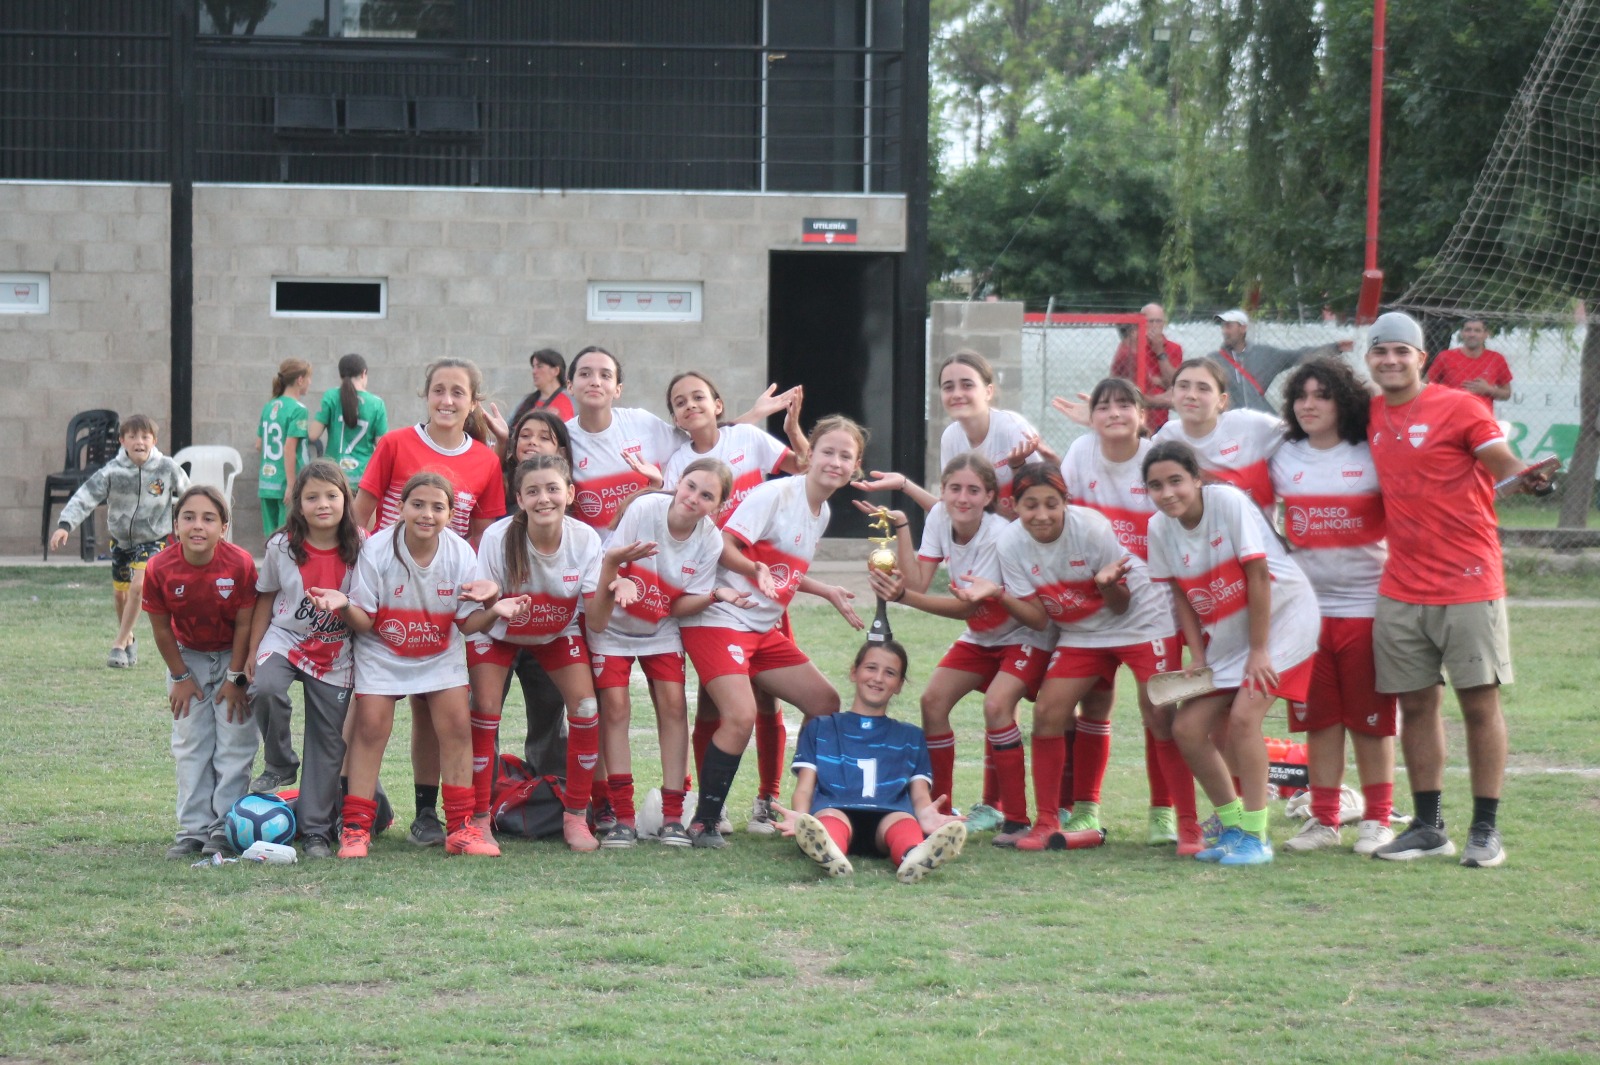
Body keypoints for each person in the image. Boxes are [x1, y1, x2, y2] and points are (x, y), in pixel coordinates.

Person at [1363, 311, 1548, 868]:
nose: (1391, 361)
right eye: (1380, 352)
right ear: (1369, 360)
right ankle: (1427, 826)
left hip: (1468, 582)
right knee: (1416, 706)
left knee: (1478, 705)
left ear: (1423, 358)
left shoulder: (1460, 405)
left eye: (1402, 351)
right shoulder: (1368, 413)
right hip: (1400, 585)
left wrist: (1524, 474)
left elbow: (1499, 459)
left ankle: (1485, 830)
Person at [960, 463, 1181, 853]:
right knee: (1048, 712)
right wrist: (997, 595)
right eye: (1030, 505)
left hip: (1142, 620)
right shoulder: (1011, 543)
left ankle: (1167, 813)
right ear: (1014, 506)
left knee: (1160, 712)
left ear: (1067, 502)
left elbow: (1119, 602)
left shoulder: (1091, 528)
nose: (1041, 514)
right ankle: (1048, 820)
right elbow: (1039, 617)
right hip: (1081, 632)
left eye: (1051, 503)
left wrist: (1104, 585)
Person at [677, 415, 869, 847]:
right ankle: (705, 819)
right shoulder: (776, 493)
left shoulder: (822, 511)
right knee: (740, 715)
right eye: (828, 451)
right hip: (720, 617)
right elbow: (724, 548)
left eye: (845, 456)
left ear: (855, 466)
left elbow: (781, 570)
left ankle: (807, 804)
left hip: (761, 629)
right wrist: (753, 570)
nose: (835, 462)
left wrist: (824, 590)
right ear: (810, 454)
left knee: (824, 701)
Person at [314, 472, 521, 859]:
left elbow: (466, 622)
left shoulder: (460, 553)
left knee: (458, 725)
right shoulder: (376, 550)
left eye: (438, 507)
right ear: (401, 508)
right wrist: (344, 606)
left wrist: (494, 611)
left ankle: (461, 828)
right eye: (418, 504)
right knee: (370, 726)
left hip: (438, 652)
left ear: (451, 514)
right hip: (383, 652)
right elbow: (367, 621)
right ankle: (356, 829)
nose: (427, 514)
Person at [1144, 442, 1321, 866]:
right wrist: (1199, 656)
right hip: (1227, 634)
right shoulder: (1158, 528)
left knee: (1244, 719)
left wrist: (1260, 651)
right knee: (1186, 727)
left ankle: (1257, 837)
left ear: (1196, 479)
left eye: (1176, 481)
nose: (1167, 493)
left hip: (1283, 619)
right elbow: (1182, 596)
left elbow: (1258, 575)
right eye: (1155, 485)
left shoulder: (1227, 501)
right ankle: (1234, 825)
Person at [354, 358, 506, 847]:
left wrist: (486, 586)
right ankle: (352, 813)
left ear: (472, 402)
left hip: (445, 595)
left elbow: (486, 531)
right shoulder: (395, 442)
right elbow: (361, 513)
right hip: (388, 589)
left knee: (438, 713)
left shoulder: (484, 459)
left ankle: (429, 815)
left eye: (457, 392)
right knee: (367, 719)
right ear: (426, 395)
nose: (447, 400)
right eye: (438, 390)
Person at [862, 454, 1051, 835]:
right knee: (932, 702)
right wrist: (901, 526)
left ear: (989, 498)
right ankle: (940, 810)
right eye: (954, 489)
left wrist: (903, 598)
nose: (962, 498)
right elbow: (917, 582)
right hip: (982, 635)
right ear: (943, 492)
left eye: (973, 490)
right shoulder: (938, 518)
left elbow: (966, 607)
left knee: (997, 705)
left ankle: (1016, 819)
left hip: (1023, 634)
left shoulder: (999, 534)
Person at [660, 370, 808, 834]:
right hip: (715, 595)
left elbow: (802, 469)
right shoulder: (677, 463)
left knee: (768, 698)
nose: (690, 405)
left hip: (765, 591)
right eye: (679, 402)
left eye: (698, 397)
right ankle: (713, 803)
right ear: (675, 418)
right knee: (715, 704)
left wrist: (792, 431)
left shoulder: (748, 438)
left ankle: (768, 799)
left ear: (717, 404)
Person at [1060, 379, 1201, 850]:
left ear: (1144, 414)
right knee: (1092, 705)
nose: (1114, 412)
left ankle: (1166, 813)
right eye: (1104, 406)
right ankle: (1085, 808)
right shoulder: (1080, 453)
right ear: (1091, 416)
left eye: (1125, 404)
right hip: (1095, 609)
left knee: (1159, 711)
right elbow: (1064, 517)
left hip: (1154, 610)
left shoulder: (1160, 454)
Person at [1269, 359, 1398, 856]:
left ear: (1343, 401)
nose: (1309, 404)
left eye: (1321, 395)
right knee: (1318, 720)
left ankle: (1378, 821)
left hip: (1368, 607)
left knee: (1370, 720)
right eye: (1301, 395)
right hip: (1306, 613)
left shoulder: (1371, 454)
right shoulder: (1283, 457)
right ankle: (1324, 820)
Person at [467, 454, 617, 853]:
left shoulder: (585, 539)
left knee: (586, 709)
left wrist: (612, 584)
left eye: (553, 489)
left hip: (555, 632)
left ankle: (574, 817)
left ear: (569, 493)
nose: (543, 498)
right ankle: (478, 817)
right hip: (498, 633)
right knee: (482, 712)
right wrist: (496, 603)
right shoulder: (499, 538)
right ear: (519, 497)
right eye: (532, 491)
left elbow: (597, 621)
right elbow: (484, 611)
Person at [585, 458, 734, 847]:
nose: (694, 498)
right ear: (677, 483)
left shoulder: (710, 539)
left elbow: (679, 604)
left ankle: (672, 817)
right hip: (613, 627)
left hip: (659, 627)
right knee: (614, 708)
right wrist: (620, 583)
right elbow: (610, 562)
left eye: (707, 495)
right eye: (690, 486)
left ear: (716, 506)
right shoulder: (645, 509)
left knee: (672, 706)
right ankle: (622, 818)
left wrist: (712, 596)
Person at [772, 640, 968, 884]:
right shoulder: (821, 727)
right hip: (834, 811)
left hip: (888, 817)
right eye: (871, 668)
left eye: (890, 673)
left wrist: (926, 815)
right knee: (829, 819)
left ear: (898, 685)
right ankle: (831, 853)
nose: (878, 678)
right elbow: (804, 787)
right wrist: (801, 817)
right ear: (854, 672)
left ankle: (913, 856)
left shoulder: (911, 736)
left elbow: (918, 794)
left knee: (903, 822)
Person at [244, 461, 363, 858]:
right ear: (298, 503)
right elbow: (264, 597)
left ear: (347, 500)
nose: (323, 504)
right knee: (265, 688)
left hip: (335, 649)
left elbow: (368, 608)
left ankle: (316, 830)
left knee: (328, 741)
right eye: (312, 497)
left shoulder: (362, 545)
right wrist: (251, 651)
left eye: (332, 495)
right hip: (287, 638)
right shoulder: (282, 546)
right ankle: (279, 762)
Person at [141, 485, 259, 859]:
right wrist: (179, 677)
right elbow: (161, 629)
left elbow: (245, 627)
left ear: (224, 527)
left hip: (231, 657)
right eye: (188, 517)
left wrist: (235, 678)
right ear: (175, 524)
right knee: (191, 745)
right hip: (187, 657)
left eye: (209, 518)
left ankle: (225, 827)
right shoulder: (159, 568)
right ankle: (192, 830)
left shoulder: (240, 564)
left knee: (235, 745)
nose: (197, 526)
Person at [51, 413, 189, 669]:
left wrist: (189, 525)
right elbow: (85, 497)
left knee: (139, 586)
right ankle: (129, 638)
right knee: (120, 594)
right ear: (122, 441)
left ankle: (118, 642)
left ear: (154, 440)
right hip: (122, 542)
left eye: (145, 436)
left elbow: (189, 495)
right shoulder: (112, 472)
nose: (139, 441)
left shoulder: (166, 468)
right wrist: (65, 525)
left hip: (153, 540)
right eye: (133, 436)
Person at [497, 407, 574, 778]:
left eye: (545, 436)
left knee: (549, 708)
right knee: (481, 710)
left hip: (549, 619)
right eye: (525, 434)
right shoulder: (497, 482)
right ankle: (485, 795)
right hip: (497, 619)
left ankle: (550, 792)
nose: (533, 442)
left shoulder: (563, 500)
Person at [1151, 358, 1285, 517]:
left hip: (1260, 537)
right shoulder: (1167, 436)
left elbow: (1300, 433)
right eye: (1183, 386)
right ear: (1172, 395)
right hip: (1205, 537)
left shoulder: (1249, 424)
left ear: (1222, 401)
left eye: (1203, 388)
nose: (1191, 395)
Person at [1211, 309, 1352, 415]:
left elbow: (1299, 355)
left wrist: (1335, 348)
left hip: (1261, 421)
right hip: (1229, 423)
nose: (1224, 331)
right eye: (1223, 326)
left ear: (1243, 328)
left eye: (1229, 326)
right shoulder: (1214, 360)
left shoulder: (1265, 355)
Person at [309, 353, 389, 486]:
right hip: (363, 477)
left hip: (333, 475)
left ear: (340, 375)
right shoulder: (376, 403)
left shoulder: (331, 396)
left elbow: (313, 434)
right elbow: (382, 445)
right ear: (364, 373)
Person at [257, 358, 313, 538]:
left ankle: (270, 566)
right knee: (287, 536)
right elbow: (289, 448)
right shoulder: (298, 409)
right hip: (286, 482)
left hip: (267, 481)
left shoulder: (269, 406)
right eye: (309, 378)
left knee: (270, 537)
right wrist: (291, 483)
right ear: (300, 380)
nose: (310, 383)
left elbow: (259, 444)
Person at [1109, 303, 1183, 431]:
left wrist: (1160, 352)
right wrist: (1165, 397)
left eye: (1158, 321)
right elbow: (1133, 391)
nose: (1154, 326)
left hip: (1159, 419)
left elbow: (1174, 384)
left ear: (1164, 323)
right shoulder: (1131, 351)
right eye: (1150, 321)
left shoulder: (1173, 348)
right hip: (1135, 418)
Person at [1426, 318, 1513, 412]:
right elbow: (1425, 386)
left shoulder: (1496, 359)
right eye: (1468, 330)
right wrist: (1447, 393)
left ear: (1486, 334)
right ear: (1462, 333)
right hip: (1450, 419)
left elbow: (1506, 394)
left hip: (1482, 420)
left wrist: (1488, 390)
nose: (1472, 334)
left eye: (1477, 331)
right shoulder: (1445, 357)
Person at [510, 348, 575, 426]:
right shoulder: (526, 401)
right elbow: (509, 427)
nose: (534, 372)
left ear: (555, 371)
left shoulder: (572, 398)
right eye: (533, 367)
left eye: (539, 366)